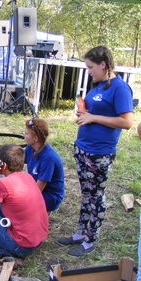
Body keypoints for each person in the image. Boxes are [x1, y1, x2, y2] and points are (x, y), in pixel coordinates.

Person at [56, 46, 133, 257]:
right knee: (86, 195)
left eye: (91, 67)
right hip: (83, 149)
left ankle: (90, 240)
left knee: (96, 196)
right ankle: (81, 232)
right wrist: (83, 115)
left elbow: (127, 122)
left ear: (103, 65)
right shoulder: (98, 86)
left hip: (100, 153)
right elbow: (92, 113)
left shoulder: (120, 88)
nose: (89, 71)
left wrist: (93, 118)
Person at [0, 144, 48, 257]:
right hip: (38, 240)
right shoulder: (27, 177)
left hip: (21, 247)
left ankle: (1, 250)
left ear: (4, 165)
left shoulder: (3, 184)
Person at [23, 118, 64, 212]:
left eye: (26, 133)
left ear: (36, 138)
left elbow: (38, 189)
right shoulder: (31, 148)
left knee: (18, 203)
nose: (23, 135)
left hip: (50, 196)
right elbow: (17, 162)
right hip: (36, 188)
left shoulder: (48, 158)